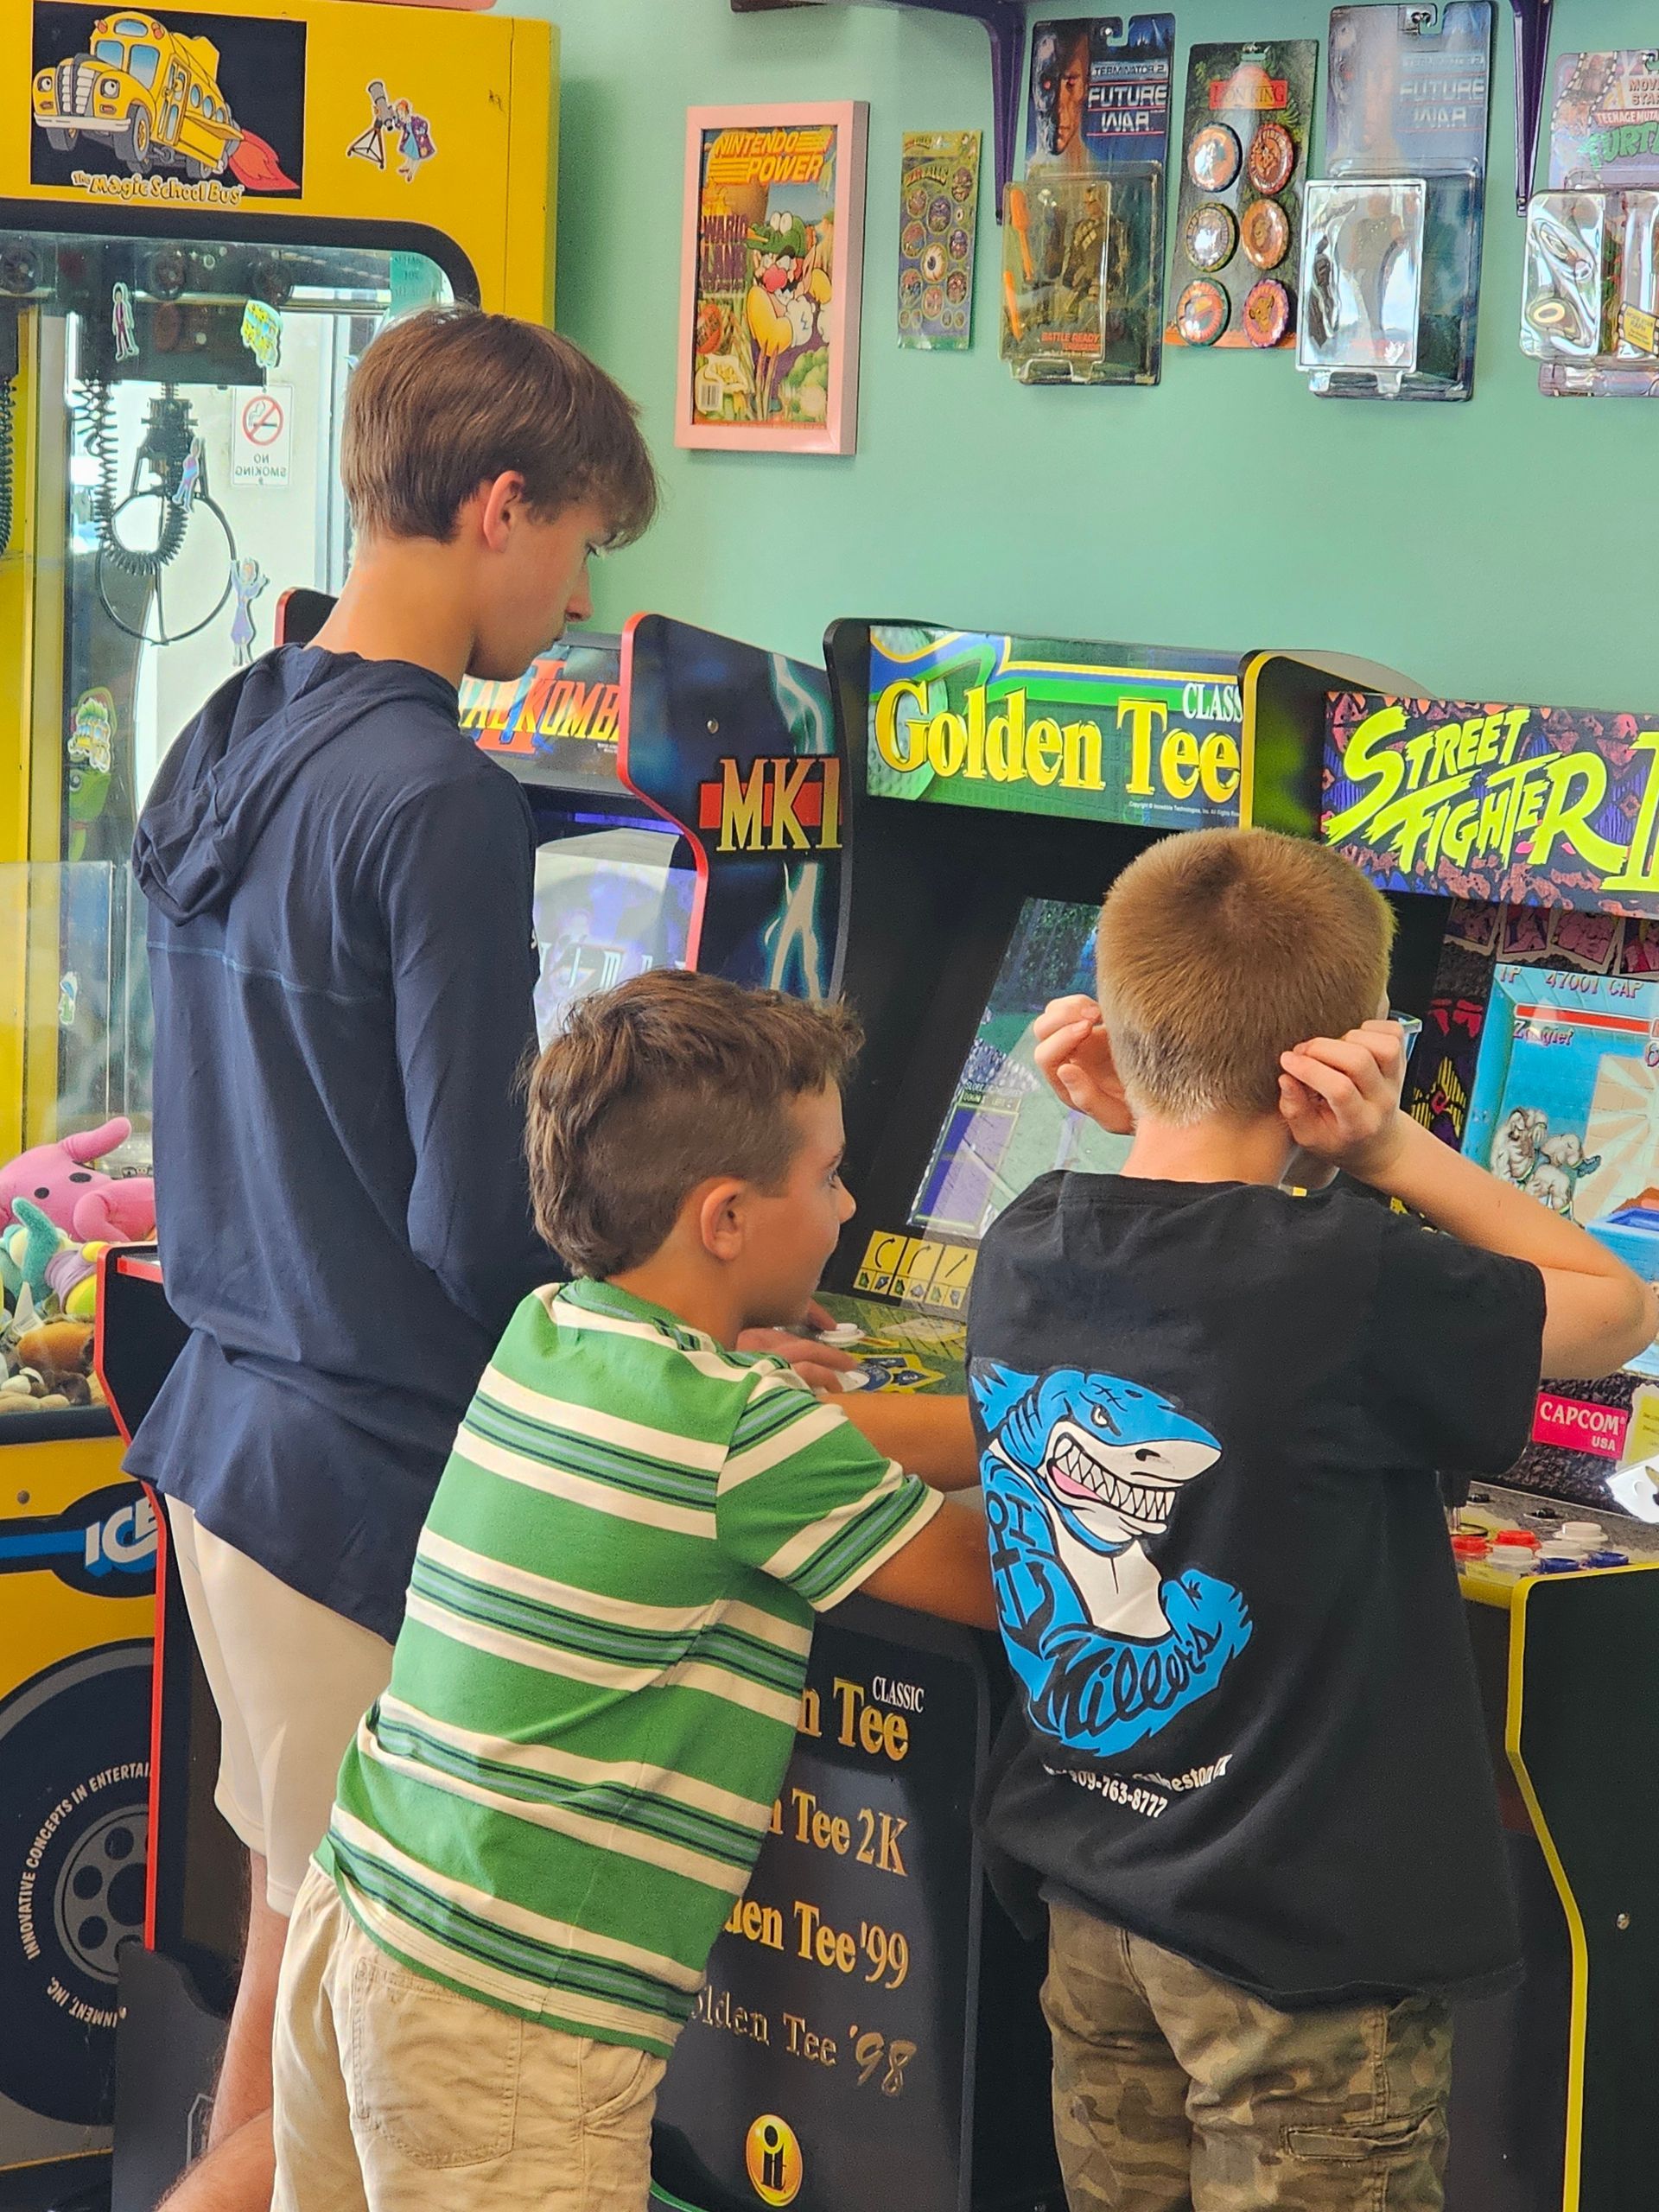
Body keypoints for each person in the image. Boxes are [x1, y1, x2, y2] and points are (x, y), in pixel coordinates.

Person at [128, 306, 851, 2211]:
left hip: (224, 1430)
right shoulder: (436, 794)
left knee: (297, 1994)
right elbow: (473, 1212)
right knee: (340, 2064)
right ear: (501, 504)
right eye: (586, 543)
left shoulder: (239, 716)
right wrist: (687, 1368)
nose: (581, 594)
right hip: (371, 1476)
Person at [964, 828, 1656, 2211]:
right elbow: (1616, 1302)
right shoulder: (1352, 1275)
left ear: (1115, 1024)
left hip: (1094, 1900)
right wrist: (1394, 1146)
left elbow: (1184, 1237)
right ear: (1336, 1056)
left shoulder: (1027, 1235)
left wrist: (1132, 1119)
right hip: (1298, 1951)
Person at [269, 969, 994, 2211]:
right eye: (825, 1179)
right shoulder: (739, 1430)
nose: (852, 1206)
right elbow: (1000, 1582)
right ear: (724, 1218)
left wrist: (964, 1419)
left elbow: (796, 1435)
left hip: (369, 1917)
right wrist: (1130, 1430)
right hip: (510, 2016)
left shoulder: (552, 1332)